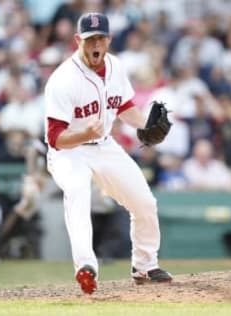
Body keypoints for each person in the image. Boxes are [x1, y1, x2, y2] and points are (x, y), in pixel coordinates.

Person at [44, 12, 172, 294]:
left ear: (109, 39)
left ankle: (145, 265)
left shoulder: (115, 66)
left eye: (100, 38)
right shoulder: (63, 80)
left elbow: (124, 105)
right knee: (78, 191)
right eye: (89, 39)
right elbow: (55, 138)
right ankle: (85, 266)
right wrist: (84, 134)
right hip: (68, 151)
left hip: (103, 146)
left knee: (144, 202)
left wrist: (144, 126)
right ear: (78, 40)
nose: (95, 44)